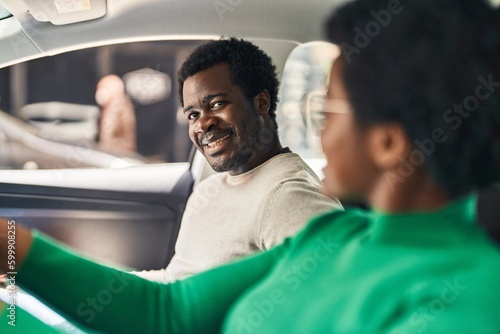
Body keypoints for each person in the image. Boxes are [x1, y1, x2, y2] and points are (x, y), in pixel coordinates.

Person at [1, 0, 500, 332]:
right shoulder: (332, 239)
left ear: (390, 142)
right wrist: (10, 248)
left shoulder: (466, 297)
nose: (320, 133)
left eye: (329, 109)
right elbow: (167, 313)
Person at [133, 38, 341, 282]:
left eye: (218, 104)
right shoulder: (209, 189)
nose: (202, 123)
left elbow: (328, 296)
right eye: (193, 115)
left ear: (261, 102)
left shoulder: (289, 196)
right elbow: (175, 279)